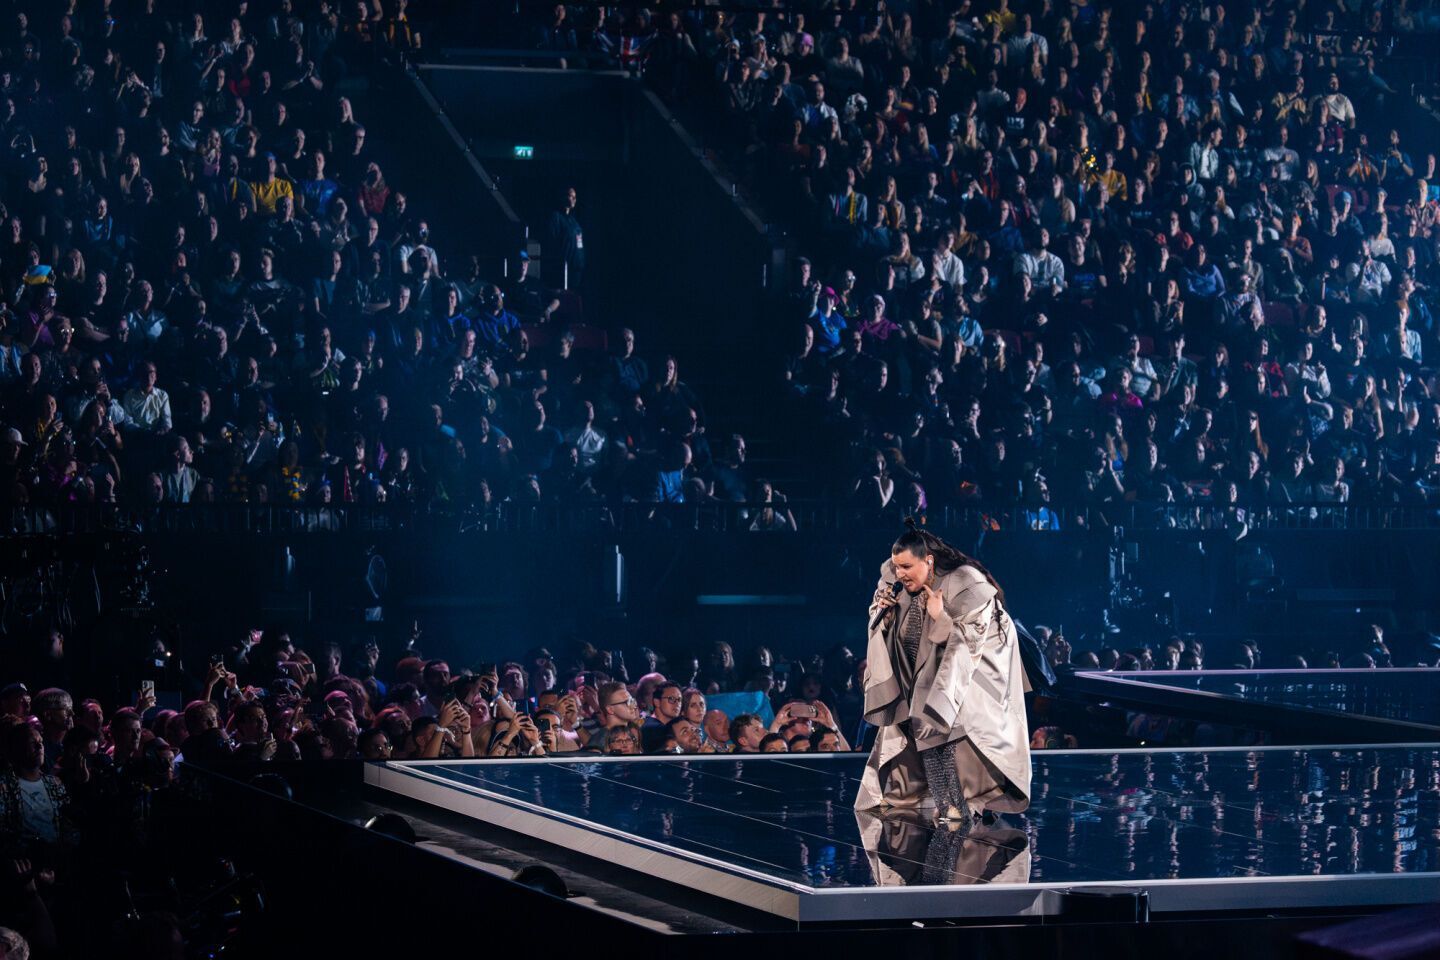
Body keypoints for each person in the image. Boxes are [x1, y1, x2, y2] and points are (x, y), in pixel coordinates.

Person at [854, 520, 1032, 825]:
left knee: (945, 736)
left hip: (964, 678)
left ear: (929, 561)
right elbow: (881, 622)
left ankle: (959, 811)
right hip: (918, 677)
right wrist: (882, 612)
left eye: (907, 566)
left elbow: (974, 642)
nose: (900, 574)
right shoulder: (894, 581)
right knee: (922, 738)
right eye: (897, 567)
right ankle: (946, 809)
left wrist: (941, 618)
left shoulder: (967, 584)